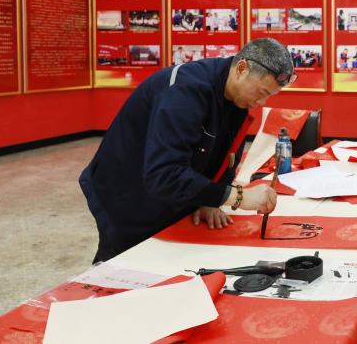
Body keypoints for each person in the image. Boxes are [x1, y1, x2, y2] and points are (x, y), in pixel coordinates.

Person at [79, 38, 296, 263]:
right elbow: (164, 174)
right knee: (124, 265)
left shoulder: (238, 98)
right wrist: (237, 196)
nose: (262, 102)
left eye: (269, 95)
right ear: (241, 68)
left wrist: (209, 200)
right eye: (261, 91)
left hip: (168, 194)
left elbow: (226, 155)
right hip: (127, 194)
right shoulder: (185, 92)